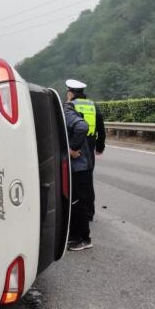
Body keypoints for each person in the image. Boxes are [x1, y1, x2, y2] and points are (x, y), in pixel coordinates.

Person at [64, 79, 95, 251]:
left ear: (70, 93)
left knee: (78, 202)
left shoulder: (68, 108)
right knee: (78, 201)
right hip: (86, 160)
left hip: (79, 164)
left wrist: (72, 149)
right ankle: (75, 236)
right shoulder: (89, 105)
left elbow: (81, 127)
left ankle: (84, 238)